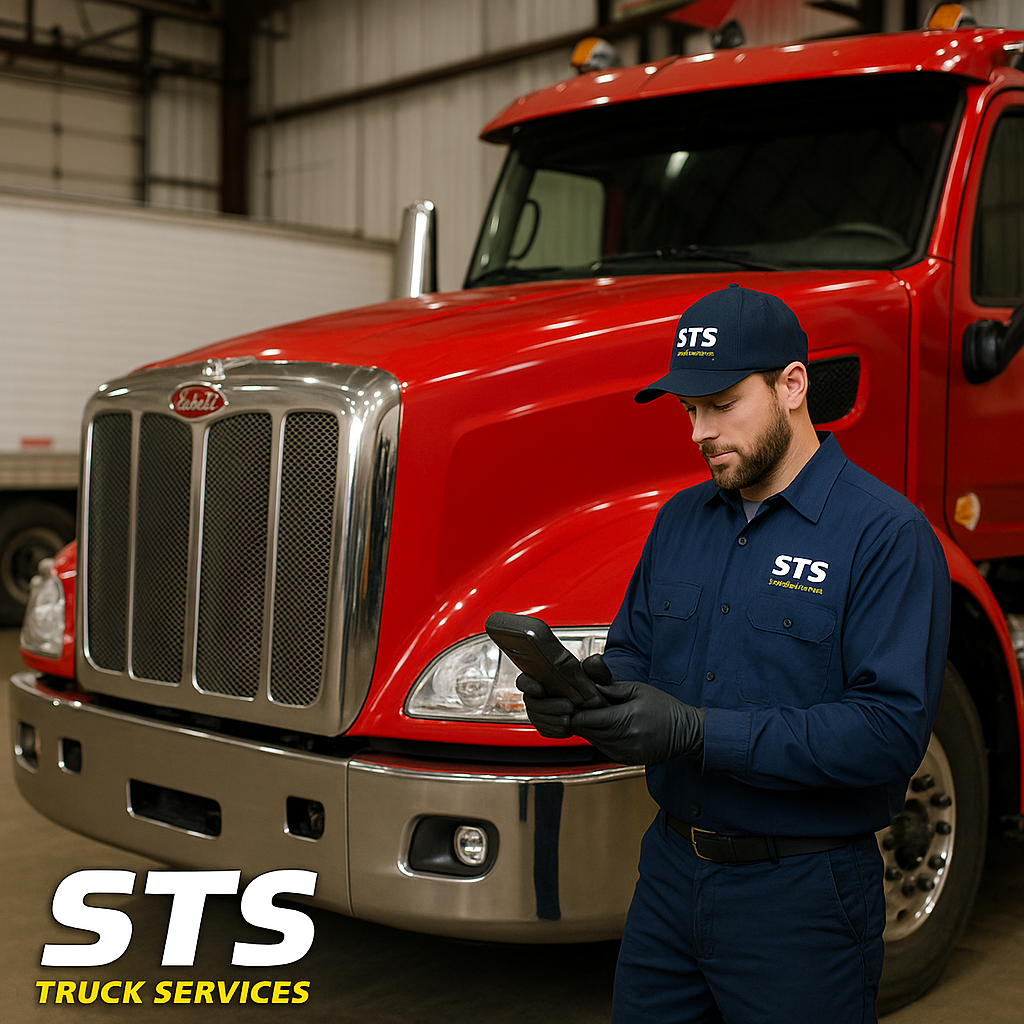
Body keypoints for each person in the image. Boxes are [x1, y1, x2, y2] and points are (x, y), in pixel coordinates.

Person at [517, 284, 950, 1024]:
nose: (700, 432)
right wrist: (587, 696)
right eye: (689, 410)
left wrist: (696, 730)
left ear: (792, 385)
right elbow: (635, 654)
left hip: (802, 898)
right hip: (669, 878)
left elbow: (886, 735)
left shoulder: (884, 537)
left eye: (721, 404)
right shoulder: (681, 520)